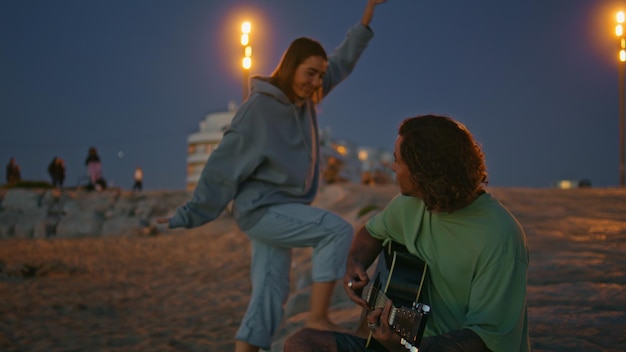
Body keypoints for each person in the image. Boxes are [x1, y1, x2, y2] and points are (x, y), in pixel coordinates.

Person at [156, 1, 386, 351]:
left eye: (320, 75)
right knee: (335, 229)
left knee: (270, 291)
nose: (317, 81)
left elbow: (342, 61)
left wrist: (367, 15)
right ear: (291, 66)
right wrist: (188, 213)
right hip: (261, 209)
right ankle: (317, 316)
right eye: (310, 72)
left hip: (281, 208)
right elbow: (223, 164)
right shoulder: (259, 108)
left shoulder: (306, 99)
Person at [283, 115, 530, 352]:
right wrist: (355, 262)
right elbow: (371, 233)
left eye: (398, 161)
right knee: (301, 344)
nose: (392, 167)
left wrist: (406, 347)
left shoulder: (500, 237)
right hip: (402, 344)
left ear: (424, 173)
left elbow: (483, 342)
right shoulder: (410, 204)